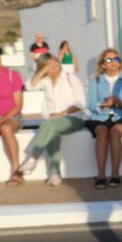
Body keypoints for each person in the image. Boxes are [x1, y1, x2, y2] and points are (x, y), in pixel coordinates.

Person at [17, 54, 87, 186]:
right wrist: (43, 70)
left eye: (56, 64)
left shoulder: (70, 78)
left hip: (73, 119)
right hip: (52, 123)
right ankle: (55, 174)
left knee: (49, 124)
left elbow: (81, 103)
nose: (55, 68)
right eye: (50, 66)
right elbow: (29, 86)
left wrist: (62, 113)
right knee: (52, 130)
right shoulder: (45, 81)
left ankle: (33, 157)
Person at [85, 48, 122, 188]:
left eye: (115, 59)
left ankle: (115, 175)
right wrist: (102, 105)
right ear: (103, 64)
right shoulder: (96, 81)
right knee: (102, 132)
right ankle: (101, 176)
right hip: (100, 116)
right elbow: (91, 104)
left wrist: (118, 103)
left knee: (115, 132)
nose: (112, 62)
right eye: (108, 60)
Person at [0, 45, 24, 186]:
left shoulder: (12, 75)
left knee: (6, 128)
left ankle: (16, 172)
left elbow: (18, 105)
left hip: (12, 117)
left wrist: (0, 121)